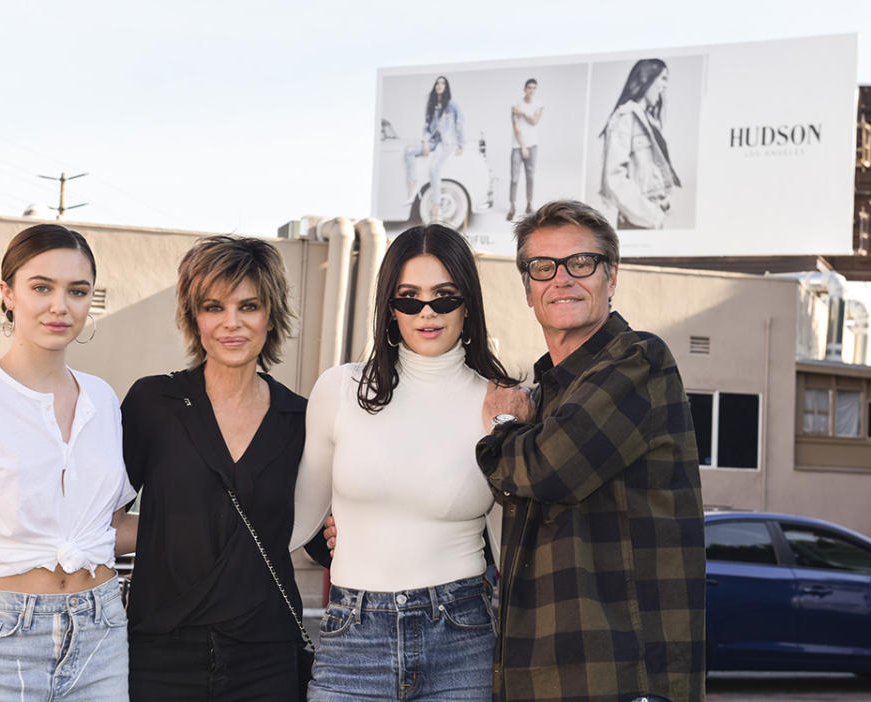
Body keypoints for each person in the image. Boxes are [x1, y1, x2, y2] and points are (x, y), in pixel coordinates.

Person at [477, 200, 706, 701]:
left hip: (622, 679)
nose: (561, 278)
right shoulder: (545, 395)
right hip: (542, 677)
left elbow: (547, 468)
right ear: (528, 289)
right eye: (543, 267)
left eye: (581, 263)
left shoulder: (639, 360)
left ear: (611, 276)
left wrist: (502, 425)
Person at [291, 224, 520, 701]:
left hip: (461, 634)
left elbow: (511, 545)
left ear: (468, 302)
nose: (427, 313)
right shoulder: (340, 390)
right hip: (352, 635)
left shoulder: (500, 403)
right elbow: (293, 521)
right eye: (409, 298)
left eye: (444, 296)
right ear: (389, 308)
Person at [0, 224, 136, 701]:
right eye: (41, 287)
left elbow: (106, 527)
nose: (60, 306)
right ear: (7, 294)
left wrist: (211, 522)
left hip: (101, 635)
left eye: (77, 291)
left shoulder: (103, 398)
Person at [122, 235, 327, 702]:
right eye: (213, 307)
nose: (231, 323)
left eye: (248, 306)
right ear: (194, 317)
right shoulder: (154, 403)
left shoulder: (301, 419)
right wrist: (1, 550)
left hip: (267, 657)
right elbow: (95, 519)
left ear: (270, 314)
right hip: (160, 654)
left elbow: (317, 537)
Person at [599, 59, 681, 230]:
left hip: (651, 219)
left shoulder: (650, 121)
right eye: (663, 78)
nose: (665, 85)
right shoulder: (625, 117)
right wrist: (652, 215)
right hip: (638, 221)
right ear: (647, 78)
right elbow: (614, 178)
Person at [404, 76, 465, 223]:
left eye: (442, 83)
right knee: (409, 152)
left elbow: (460, 123)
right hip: (433, 140)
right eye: (437, 83)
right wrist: (424, 141)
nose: (439, 85)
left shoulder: (452, 105)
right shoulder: (431, 104)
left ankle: (436, 208)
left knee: (434, 169)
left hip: (446, 143)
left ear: (446, 87)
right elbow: (427, 125)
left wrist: (461, 143)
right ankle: (411, 191)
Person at [508, 78, 543, 221]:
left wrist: (521, 113)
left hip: (532, 146)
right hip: (517, 146)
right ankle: (512, 206)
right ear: (525, 89)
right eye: (529, 87)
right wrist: (523, 147)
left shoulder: (539, 104)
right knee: (515, 178)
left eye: (534, 88)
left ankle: (529, 204)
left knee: (530, 177)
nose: (531, 90)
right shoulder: (516, 104)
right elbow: (516, 127)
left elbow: (534, 121)